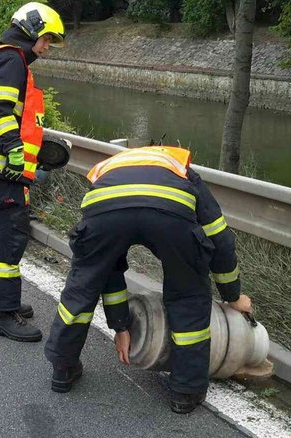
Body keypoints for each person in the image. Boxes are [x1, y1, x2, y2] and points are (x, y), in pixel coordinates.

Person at [43, 146, 253, 414]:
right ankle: (185, 392)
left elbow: (109, 269)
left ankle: (63, 368)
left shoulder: (110, 168)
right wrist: (233, 295)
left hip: (106, 212)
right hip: (169, 215)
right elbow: (219, 237)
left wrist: (121, 327)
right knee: (188, 293)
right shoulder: (182, 169)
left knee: (82, 287)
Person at [0, 2, 64, 342]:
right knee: (8, 239)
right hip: (3, 167)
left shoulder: (6, 56)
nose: (47, 47)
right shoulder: (11, 58)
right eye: (46, 39)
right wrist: (15, 150)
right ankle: (3, 314)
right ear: (31, 29)